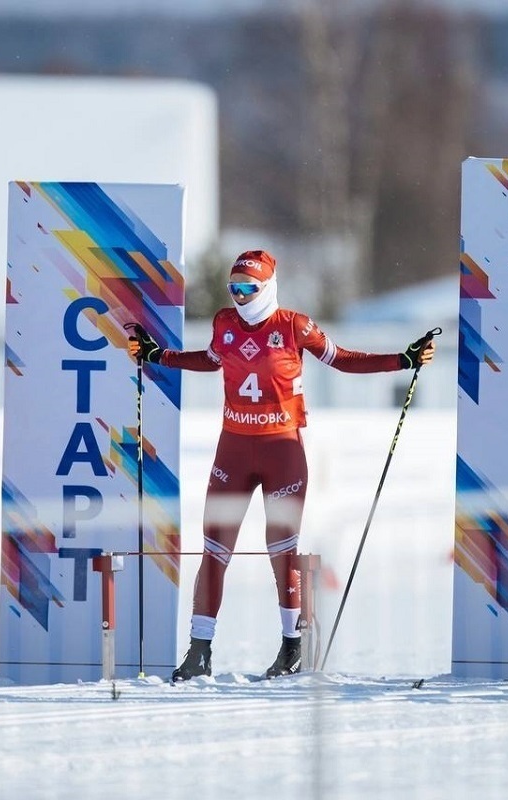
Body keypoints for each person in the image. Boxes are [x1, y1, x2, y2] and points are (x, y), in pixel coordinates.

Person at [127, 250, 436, 681]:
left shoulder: (293, 326)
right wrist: (157, 356)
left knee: (281, 552)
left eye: (248, 288)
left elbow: (343, 359)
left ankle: (291, 648)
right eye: (233, 288)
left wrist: (401, 361)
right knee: (215, 549)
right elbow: (209, 360)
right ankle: (199, 651)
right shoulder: (224, 323)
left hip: (282, 453)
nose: (238, 296)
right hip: (232, 451)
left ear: (268, 287)